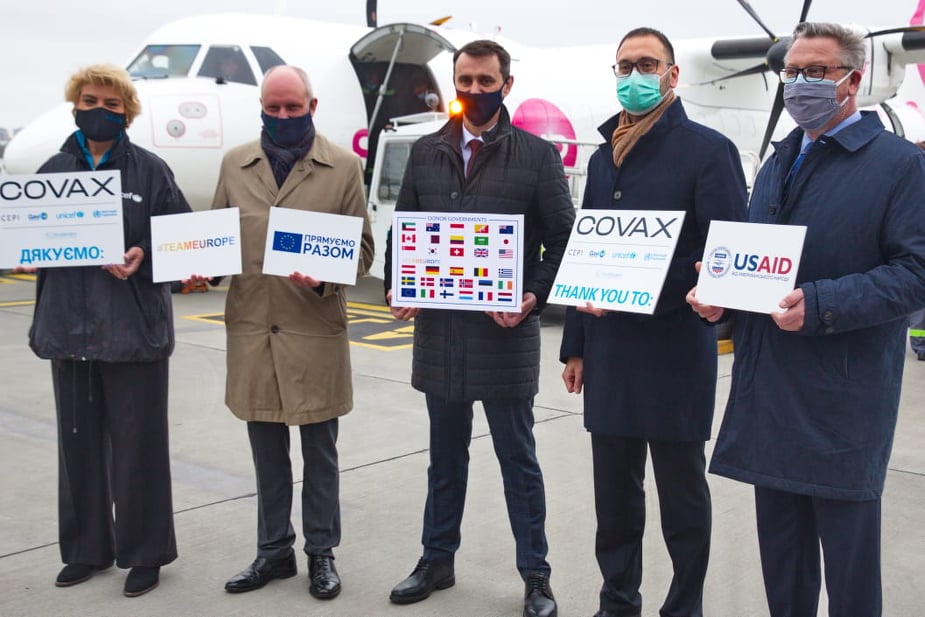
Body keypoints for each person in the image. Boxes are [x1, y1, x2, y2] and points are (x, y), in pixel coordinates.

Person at [688, 23, 925, 617]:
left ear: (853, 80)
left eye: (816, 72)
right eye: (791, 72)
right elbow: (762, 265)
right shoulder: (778, 161)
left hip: (841, 402)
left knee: (850, 572)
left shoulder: (900, 165)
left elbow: (916, 272)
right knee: (783, 563)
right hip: (770, 394)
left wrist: (819, 304)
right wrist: (722, 299)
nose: (798, 83)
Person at [559, 27, 747, 617]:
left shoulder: (708, 151)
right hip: (610, 352)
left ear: (672, 74)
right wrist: (576, 345)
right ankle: (617, 601)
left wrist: (704, 298)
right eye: (624, 66)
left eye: (647, 64)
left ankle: (683, 606)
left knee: (682, 499)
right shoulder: (602, 157)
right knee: (614, 500)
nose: (634, 75)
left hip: (673, 353)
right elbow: (585, 250)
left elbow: (724, 255)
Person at [384, 40, 575, 617]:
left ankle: (536, 575)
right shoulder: (427, 152)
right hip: (441, 339)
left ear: (506, 85)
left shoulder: (537, 156)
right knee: (444, 461)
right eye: (464, 80)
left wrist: (532, 296)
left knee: (519, 462)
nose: (473, 91)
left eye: (485, 82)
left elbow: (562, 241)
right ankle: (436, 560)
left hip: (504, 339)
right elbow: (404, 229)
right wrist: (398, 285)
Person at [22, 63, 189, 597]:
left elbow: (185, 240)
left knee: (140, 449)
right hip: (68, 332)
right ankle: (86, 549)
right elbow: (29, 235)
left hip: (134, 332)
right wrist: (25, 251)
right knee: (77, 448)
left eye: (112, 104)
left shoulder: (151, 172)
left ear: (128, 113)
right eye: (90, 101)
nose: (100, 111)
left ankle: (145, 553)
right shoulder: (51, 173)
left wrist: (146, 254)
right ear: (75, 106)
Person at [207, 65, 374, 599]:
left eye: (292, 107)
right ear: (261, 107)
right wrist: (199, 268)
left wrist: (325, 275)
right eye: (273, 107)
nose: (282, 116)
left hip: (312, 330)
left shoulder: (342, 166)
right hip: (254, 333)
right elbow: (214, 239)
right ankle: (273, 551)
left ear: (312, 106)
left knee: (320, 454)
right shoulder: (235, 164)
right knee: (267, 453)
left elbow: (363, 252)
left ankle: (321, 551)